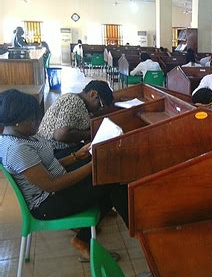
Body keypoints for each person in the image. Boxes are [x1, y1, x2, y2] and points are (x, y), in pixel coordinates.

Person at [0, 90, 128, 260]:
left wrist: (76, 156)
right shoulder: (17, 149)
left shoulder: (22, 135)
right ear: (16, 121)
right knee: (111, 178)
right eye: (32, 119)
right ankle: (134, 232)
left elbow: (47, 166)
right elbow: (51, 184)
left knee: (108, 175)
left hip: (54, 190)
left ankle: (90, 229)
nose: (37, 123)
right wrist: (92, 166)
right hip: (47, 203)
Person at [38, 80, 113, 157]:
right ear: (93, 94)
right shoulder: (74, 102)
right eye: (100, 105)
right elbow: (61, 135)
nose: (98, 109)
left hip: (51, 149)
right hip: (52, 151)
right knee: (98, 156)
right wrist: (92, 133)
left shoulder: (79, 102)